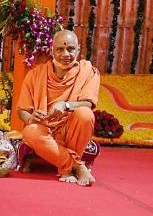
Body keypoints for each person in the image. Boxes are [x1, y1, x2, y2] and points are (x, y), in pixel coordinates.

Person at [17, 29, 101, 186]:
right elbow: (22, 110)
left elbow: (89, 103)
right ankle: (77, 166)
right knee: (30, 131)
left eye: (70, 49)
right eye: (60, 49)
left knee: (85, 114)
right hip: (45, 130)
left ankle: (67, 168)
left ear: (78, 50)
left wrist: (66, 105)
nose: (65, 54)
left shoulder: (88, 72)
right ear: (52, 50)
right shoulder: (35, 74)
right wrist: (30, 118)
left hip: (71, 130)